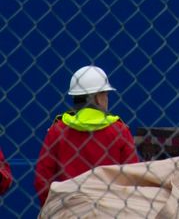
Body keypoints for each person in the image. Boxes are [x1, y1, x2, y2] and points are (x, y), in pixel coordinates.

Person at [34, 65, 138, 205]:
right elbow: (133, 176)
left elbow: (43, 178)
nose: (107, 99)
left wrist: (52, 208)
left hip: (68, 207)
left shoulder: (58, 131)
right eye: (105, 94)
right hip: (110, 209)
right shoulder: (119, 131)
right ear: (97, 98)